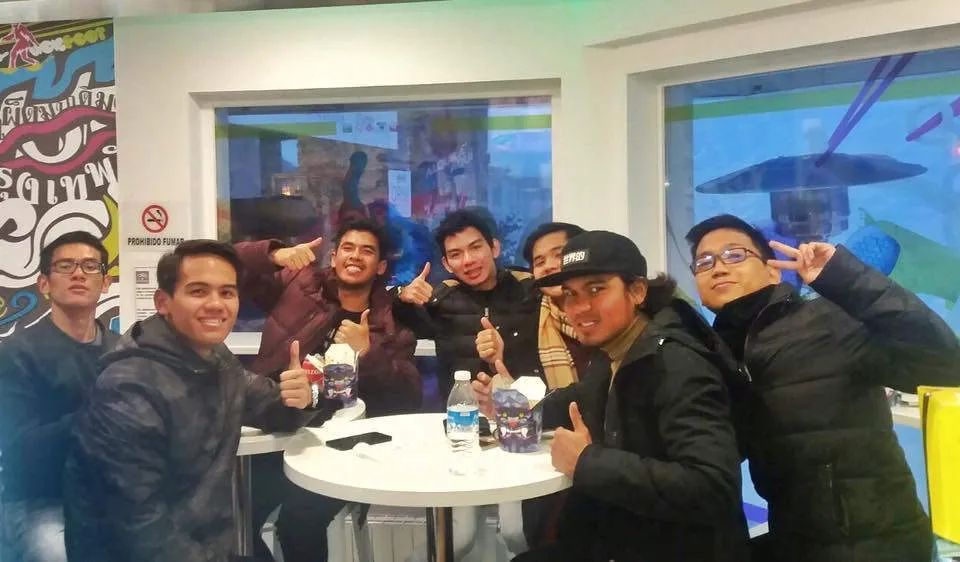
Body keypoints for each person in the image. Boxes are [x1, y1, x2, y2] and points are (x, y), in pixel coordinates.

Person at [685, 214, 960, 562]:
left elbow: (945, 366)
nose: (719, 268)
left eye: (735, 255)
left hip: (879, 544)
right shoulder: (718, 355)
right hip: (794, 542)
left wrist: (844, 277)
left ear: (773, 271)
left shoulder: (827, 320)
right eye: (704, 262)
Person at [474, 230, 749, 562]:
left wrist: (587, 462)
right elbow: (578, 398)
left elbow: (714, 487)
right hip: (621, 536)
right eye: (570, 294)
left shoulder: (676, 363)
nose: (580, 308)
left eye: (596, 289)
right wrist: (511, 408)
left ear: (637, 291)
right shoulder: (614, 350)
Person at [63, 240, 317, 562]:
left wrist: (299, 398)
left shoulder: (215, 359)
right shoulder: (128, 387)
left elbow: (267, 406)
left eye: (227, 292)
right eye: (198, 291)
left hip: (206, 547)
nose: (216, 304)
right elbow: (139, 527)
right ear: (163, 302)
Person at [234, 218, 421, 561]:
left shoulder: (392, 325)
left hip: (341, 448)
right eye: (348, 248)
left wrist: (368, 354)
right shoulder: (299, 287)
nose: (355, 256)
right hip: (276, 431)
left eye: (367, 251)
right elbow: (225, 265)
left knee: (297, 524)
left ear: (380, 266)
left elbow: (406, 399)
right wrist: (272, 254)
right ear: (333, 257)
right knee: (233, 521)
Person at [396, 209, 542, 560]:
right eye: (456, 254)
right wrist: (402, 297)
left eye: (475, 247)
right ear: (446, 262)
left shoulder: (529, 290)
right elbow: (398, 321)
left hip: (521, 422)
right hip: (463, 427)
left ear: (494, 247)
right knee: (457, 538)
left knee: (517, 532)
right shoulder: (441, 299)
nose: (468, 260)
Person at [0, 232, 118, 562]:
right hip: (41, 500)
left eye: (90, 266)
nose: (79, 274)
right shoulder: (16, 353)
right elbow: (19, 450)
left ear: (105, 282)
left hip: (111, 497)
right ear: (44, 284)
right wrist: (95, 418)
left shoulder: (123, 351)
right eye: (66, 266)